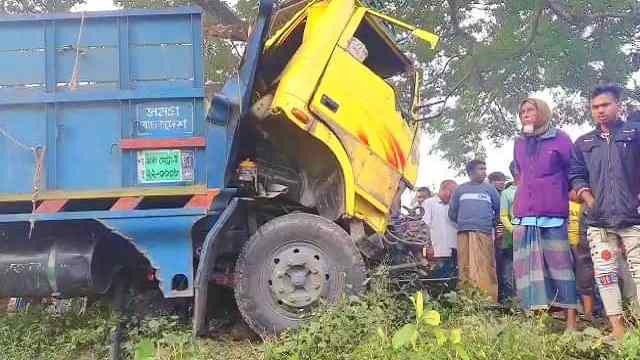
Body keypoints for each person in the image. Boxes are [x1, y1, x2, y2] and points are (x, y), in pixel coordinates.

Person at [569, 84, 640, 338]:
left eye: (605, 105)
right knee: (606, 276)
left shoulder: (635, 133)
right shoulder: (584, 142)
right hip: (599, 222)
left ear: (618, 106)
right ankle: (618, 330)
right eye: (595, 107)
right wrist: (587, 196)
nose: (600, 111)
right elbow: (576, 174)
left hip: (633, 218)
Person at [512, 97, 578, 331]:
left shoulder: (560, 138)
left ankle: (571, 322)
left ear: (543, 113)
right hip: (524, 214)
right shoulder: (519, 142)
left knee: (561, 267)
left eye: (531, 110)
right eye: (522, 111)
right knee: (528, 272)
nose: (526, 114)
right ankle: (537, 321)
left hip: (552, 213)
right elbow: (519, 172)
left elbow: (574, 171)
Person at [448, 159, 500, 302]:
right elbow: (452, 213)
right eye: (480, 168)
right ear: (471, 172)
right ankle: (466, 300)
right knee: (465, 265)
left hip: (484, 232)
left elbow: (499, 211)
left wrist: (489, 224)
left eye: (485, 168)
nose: (484, 171)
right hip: (464, 232)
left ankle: (487, 300)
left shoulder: (490, 189)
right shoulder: (460, 189)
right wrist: (464, 222)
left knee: (485, 266)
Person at [422, 180, 459, 280]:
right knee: (435, 279)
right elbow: (424, 226)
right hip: (436, 251)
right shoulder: (429, 203)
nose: (452, 195)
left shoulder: (454, 205)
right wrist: (428, 247)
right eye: (451, 191)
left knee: (451, 280)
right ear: (442, 189)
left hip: (453, 251)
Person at [568, 190, 595, 321]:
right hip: (566, 245)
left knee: (585, 279)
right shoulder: (564, 204)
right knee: (567, 280)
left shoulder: (587, 205)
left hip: (583, 246)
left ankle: (588, 313)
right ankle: (568, 312)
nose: (577, 193)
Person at [498, 163, 518, 304]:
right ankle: (510, 302)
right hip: (512, 238)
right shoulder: (507, 193)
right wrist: (513, 230)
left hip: (531, 235)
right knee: (508, 272)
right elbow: (503, 216)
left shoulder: (532, 188)